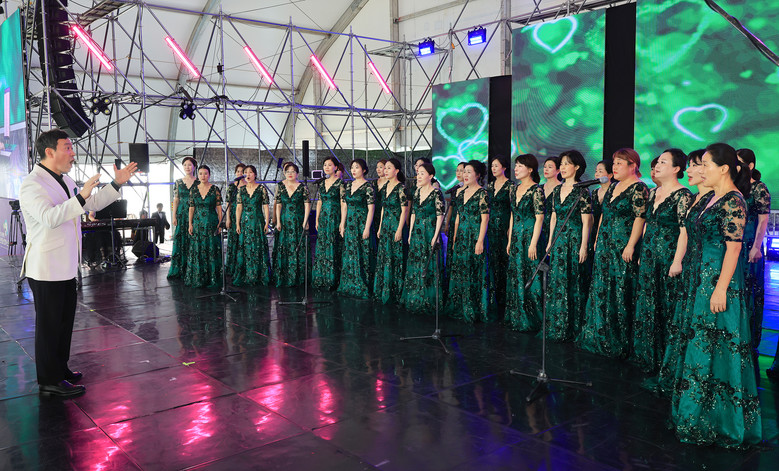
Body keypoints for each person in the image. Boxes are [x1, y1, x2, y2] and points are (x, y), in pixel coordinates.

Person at [20, 128, 137, 397]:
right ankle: (49, 380)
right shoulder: (32, 184)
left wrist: (116, 184)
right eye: (68, 148)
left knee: (63, 324)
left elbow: (89, 203)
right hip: (46, 267)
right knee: (49, 326)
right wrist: (81, 196)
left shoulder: (65, 179)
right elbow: (50, 217)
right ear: (49, 152)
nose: (73, 153)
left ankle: (60, 369)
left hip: (66, 265)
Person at [670, 143, 761, 448]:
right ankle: (696, 412)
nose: (700, 169)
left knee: (715, 344)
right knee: (701, 344)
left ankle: (718, 419)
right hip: (698, 279)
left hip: (717, 281)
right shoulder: (710, 197)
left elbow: (733, 249)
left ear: (723, 169)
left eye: (705, 164)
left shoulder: (734, 201)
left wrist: (721, 288)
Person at [650, 149, 712, 396]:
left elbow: (684, 232)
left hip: (684, 260)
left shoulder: (688, 196)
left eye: (698, 165)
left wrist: (677, 261)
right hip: (658, 256)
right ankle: (658, 357)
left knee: (672, 307)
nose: (691, 170)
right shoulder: (691, 197)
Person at [578, 148, 648, 358]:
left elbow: (640, 218)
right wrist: (597, 238)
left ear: (632, 166)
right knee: (601, 286)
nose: (615, 167)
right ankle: (599, 334)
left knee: (620, 287)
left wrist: (631, 245)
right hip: (605, 243)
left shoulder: (639, 188)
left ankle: (618, 339)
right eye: (614, 163)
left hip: (622, 245)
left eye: (619, 163)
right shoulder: (613, 187)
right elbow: (603, 215)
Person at [629, 149, 692, 372]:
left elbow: (684, 232)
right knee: (647, 303)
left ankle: (666, 358)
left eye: (664, 162)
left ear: (676, 169)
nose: (657, 165)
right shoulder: (653, 192)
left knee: (666, 304)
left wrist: (677, 261)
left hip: (668, 256)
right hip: (649, 254)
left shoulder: (683, 195)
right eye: (658, 162)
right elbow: (648, 224)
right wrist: (641, 252)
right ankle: (647, 354)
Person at [544, 150, 592, 341]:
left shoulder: (583, 191)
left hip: (574, 240)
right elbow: (554, 217)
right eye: (561, 164)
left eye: (567, 164)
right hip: (558, 240)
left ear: (577, 167)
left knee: (573, 280)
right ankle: (556, 323)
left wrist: (583, 246)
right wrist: (550, 241)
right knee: (557, 280)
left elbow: (587, 222)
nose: (563, 167)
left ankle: (572, 326)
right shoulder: (557, 190)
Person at [737, 149, 772, 374]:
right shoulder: (733, 187)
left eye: (739, 163)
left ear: (750, 166)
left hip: (750, 245)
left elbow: (763, 220)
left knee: (750, 292)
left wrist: (757, 247)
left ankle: (750, 342)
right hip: (732, 245)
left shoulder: (759, 188)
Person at [446, 160, 490, 323]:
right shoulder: (460, 192)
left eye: (469, 172)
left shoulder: (482, 193)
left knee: (474, 269)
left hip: (475, 235)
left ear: (478, 175)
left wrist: (480, 241)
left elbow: (485, 219)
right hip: (462, 236)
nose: (465, 175)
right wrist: (455, 237)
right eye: (464, 172)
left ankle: (473, 307)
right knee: (460, 269)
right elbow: (458, 216)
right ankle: (459, 305)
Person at [505, 154, 545, 331]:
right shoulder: (514, 189)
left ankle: (532, 317)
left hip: (530, 237)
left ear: (530, 169)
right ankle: (516, 314)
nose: (516, 169)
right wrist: (509, 240)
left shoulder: (537, 190)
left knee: (530, 274)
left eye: (520, 166)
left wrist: (533, 243)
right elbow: (512, 215)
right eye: (516, 165)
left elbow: (539, 218)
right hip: (516, 238)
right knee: (516, 274)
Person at [401, 162, 445, 314]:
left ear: (430, 176)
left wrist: (436, 236)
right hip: (417, 233)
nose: (418, 176)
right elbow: (413, 213)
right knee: (415, 262)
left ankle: (428, 299)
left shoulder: (436, 193)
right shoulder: (417, 192)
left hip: (429, 232)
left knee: (429, 264)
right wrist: (410, 232)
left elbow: (440, 216)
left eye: (422, 173)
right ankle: (414, 296)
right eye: (418, 173)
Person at [338, 159, 376, 298]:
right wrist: (342, 224)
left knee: (363, 252)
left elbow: (371, 209)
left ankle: (363, 283)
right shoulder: (348, 185)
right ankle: (349, 283)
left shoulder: (368, 187)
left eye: (357, 167)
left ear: (364, 170)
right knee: (350, 252)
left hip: (362, 222)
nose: (354, 170)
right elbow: (345, 206)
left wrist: (367, 228)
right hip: (350, 223)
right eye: (352, 167)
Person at [374, 158, 409, 304]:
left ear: (397, 171)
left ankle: (396, 290)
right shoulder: (385, 186)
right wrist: (380, 227)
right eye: (385, 168)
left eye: (389, 168)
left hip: (396, 225)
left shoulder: (401, 188)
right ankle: (383, 289)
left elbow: (404, 210)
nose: (385, 170)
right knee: (384, 255)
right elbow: (383, 208)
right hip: (385, 226)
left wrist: (400, 229)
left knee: (396, 256)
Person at [272, 162, 311, 287]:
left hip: (298, 221)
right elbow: (278, 205)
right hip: (284, 221)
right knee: (284, 247)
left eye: (293, 171)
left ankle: (298, 277)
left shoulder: (303, 188)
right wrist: (278, 221)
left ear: (297, 173)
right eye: (288, 171)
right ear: (284, 173)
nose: (290, 173)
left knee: (298, 247)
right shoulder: (281, 186)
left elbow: (307, 205)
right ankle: (284, 276)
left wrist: (305, 221)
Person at [233, 165, 271, 286]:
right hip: (245, 222)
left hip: (257, 221)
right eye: (246, 172)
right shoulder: (241, 190)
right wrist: (237, 223)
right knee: (245, 247)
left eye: (250, 172)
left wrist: (267, 222)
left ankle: (260, 274)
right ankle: (246, 274)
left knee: (258, 246)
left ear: (255, 174)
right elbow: (239, 208)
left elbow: (266, 206)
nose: (248, 175)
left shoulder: (261, 189)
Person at [186, 165, 223, 288]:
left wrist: (220, 223)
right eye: (201, 173)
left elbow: (219, 208)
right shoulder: (193, 190)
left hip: (211, 223)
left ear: (209, 175)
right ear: (198, 175)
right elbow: (191, 208)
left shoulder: (215, 189)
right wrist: (190, 224)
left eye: (205, 173)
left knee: (212, 248)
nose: (203, 176)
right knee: (198, 249)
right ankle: (199, 277)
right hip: (197, 223)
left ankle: (213, 278)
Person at [486, 155, 514, 311]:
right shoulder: (490, 186)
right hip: (490, 225)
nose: (493, 168)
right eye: (492, 166)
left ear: (504, 167)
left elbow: (513, 208)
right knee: (492, 258)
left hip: (504, 225)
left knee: (503, 258)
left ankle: (504, 296)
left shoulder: (510, 185)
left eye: (496, 165)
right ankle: (493, 294)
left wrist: (510, 226)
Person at [312, 157, 344, 290]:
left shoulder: (340, 183)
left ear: (336, 167)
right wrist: (317, 219)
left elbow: (343, 203)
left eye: (330, 165)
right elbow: (319, 202)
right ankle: (322, 277)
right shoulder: (322, 183)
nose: (327, 167)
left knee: (333, 244)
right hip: (324, 217)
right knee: (322, 245)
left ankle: (333, 278)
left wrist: (342, 222)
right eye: (325, 165)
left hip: (335, 216)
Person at [168, 157, 199, 278]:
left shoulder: (199, 182)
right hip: (181, 213)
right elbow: (176, 200)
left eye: (190, 165)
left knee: (193, 238)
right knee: (181, 239)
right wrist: (174, 216)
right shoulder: (178, 182)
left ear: (194, 167)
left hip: (195, 213)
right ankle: (180, 268)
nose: (187, 167)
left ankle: (193, 268)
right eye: (185, 165)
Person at [443, 162, 466, 298]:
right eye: (457, 170)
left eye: (462, 170)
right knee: (451, 249)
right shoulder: (456, 189)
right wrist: (447, 223)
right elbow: (451, 207)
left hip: (465, 223)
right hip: (453, 222)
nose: (459, 173)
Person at [589, 159, 613, 259]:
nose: (597, 174)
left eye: (600, 171)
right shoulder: (594, 192)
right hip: (594, 229)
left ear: (610, 175)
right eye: (596, 171)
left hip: (608, 230)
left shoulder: (614, 191)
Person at [225, 163, 246, 271]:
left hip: (246, 215)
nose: (240, 173)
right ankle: (232, 266)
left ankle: (244, 266)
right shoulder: (231, 187)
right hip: (233, 215)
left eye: (242, 171)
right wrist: (228, 218)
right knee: (233, 239)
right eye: (238, 171)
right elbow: (228, 203)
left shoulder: (248, 185)